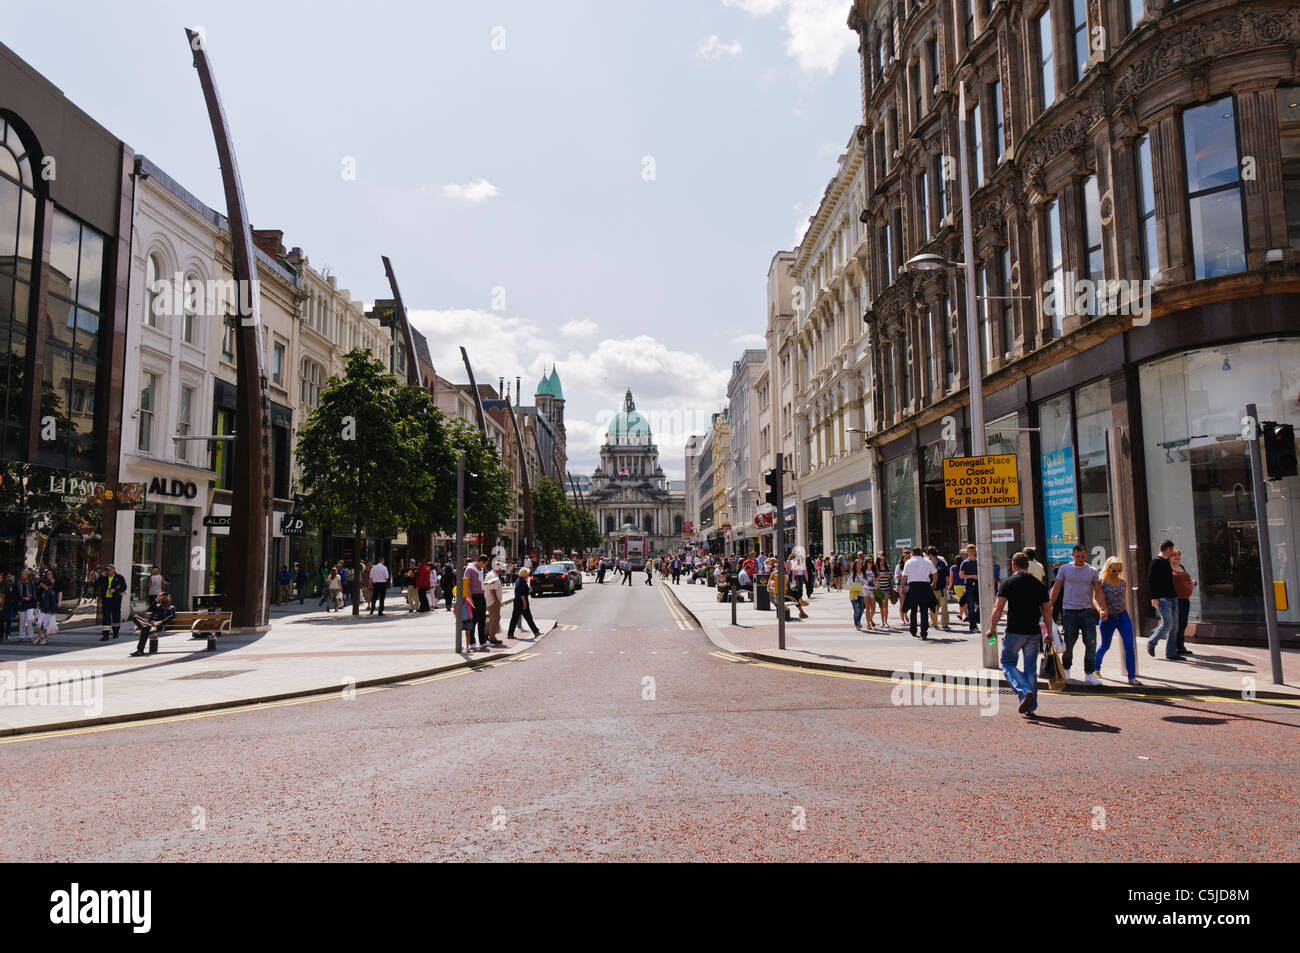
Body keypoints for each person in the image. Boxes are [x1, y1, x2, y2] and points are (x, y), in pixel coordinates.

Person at [985, 552, 1055, 716]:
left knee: (1008, 663)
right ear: (1028, 565)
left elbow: (998, 607)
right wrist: (1049, 632)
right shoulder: (1038, 584)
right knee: (1030, 668)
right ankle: (1030, 705)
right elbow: (1047, 610)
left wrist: (991, 628)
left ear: (1013, 566)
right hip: (1033, 632)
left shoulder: (1008, 582)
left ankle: (1023, 690)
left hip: (1014, 631)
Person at [1049, 543, 1107, 685]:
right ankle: (1066, 669)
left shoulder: (1092, 571)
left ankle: (1089, 673)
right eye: (1077, 556)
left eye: (1082, 556)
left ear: (1086, 555)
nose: (1080, 559)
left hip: (1087, 611)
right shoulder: (1065, 569)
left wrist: (1103, 608)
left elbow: (1098, 591)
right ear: (1073, 555)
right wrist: (1049, 606)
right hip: (1069, 611)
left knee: (1091, 643)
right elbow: (1056, 588)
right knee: (1069, 643)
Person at [1096, 556, 1141, 685]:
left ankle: (1131, 677)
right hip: (1108, 618)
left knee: (1129, 645)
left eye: (1118, 570)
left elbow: (1124, 599)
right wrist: (1100, 611)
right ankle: (1096, 668)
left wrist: (1125, 611)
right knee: (1105, 645)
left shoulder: (1123, 582)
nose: (1116, 573)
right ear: (1108, 568)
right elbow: (1094, 598)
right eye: (1113, 570)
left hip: (1122, 616)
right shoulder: (1101, 581)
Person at [1146, 539, 1179, 659]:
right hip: (1162, 598)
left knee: (1174, 626)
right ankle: (1152, 641)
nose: (1173, 552)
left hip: (1172, 596)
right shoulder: (1156, 561)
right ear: (1168, 549)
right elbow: (1150, 580)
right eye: (1172, 550)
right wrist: (1154, 597)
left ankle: (1171, 653)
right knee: (1168, 623)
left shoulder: (1166, 561)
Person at [900, 547, 938, 640]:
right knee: (924, 610)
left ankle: (913, 630)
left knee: (913, 610)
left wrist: (902, 587)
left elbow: (904, 576)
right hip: (925, 587)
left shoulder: (909, 562)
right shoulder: (927, 561)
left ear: (912, 553)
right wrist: (933, 583)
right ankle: (924, 632)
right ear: (921, 553)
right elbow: (935, 574)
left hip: (913, 587)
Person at [464, 554, 498, 649]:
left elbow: (479, 583)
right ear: (480, 562)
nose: (485, 566)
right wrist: (470, 600)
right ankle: (472, 642)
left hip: (481, 596)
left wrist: (487, 583)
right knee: (473, 620)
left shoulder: (480, 569)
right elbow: (467, 585)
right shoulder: (469, 569)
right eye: (485, 564)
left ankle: (483, 641)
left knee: (482, 619)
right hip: (474, 597)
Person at [128, 592, 175, 657]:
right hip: (149, 623)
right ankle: (148, 627)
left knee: (145, 629)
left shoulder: (171, 608)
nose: (164, 598)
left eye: (166, 597)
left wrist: (159, 622)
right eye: (163, 597)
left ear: (169, 599)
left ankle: (140, 651)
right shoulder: (157, 605)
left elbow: (170, 617)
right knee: (135, 616)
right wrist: (156, 600)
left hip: (158, 625)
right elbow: (149, 609)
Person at [1171, 548, 1196, 657]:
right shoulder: (1168, 569)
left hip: (1185, 599)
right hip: (1176, 600)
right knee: (1178, 624)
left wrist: (1192, 583)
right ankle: (1176, 647)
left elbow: (1185, 581)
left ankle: (1180, 646)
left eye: (1179, 555)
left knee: (1184, 623)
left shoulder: (1181, 567)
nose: (1177, 557)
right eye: (1175, 556)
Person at [95, 563, 128, 641]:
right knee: (106, 617)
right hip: (106, 600)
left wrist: (115, 590)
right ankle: (105, 635)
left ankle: (115, 632)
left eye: (110, 569)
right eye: (107, 570)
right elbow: (96, 584)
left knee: (116, 616)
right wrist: (101, 576)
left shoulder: (119, 577)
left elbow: (124, 587)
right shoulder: (104, 577)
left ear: (114, 570)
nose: (108, 571)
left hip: (115, 600)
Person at [508, 567, 543, 639]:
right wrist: (524, 604)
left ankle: (510, 634)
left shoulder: (519, 580)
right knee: (528, 617)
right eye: (527, 574)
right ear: (524, 575)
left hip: (517, 601)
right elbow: (522, 594)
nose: (528, 575)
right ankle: (536, 632)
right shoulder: (522, 582)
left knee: (515, 618)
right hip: (521, 602)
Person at [926, 546, 951, 631]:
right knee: (933, 606)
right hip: (931, 588)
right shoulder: (927, 564)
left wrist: (947, 585)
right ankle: (934, 623)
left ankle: (945, 624)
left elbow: (946, 574)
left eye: (928, 554)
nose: (928, 556)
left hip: (942, 588)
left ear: (932, 555)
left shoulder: (941, 563)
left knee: (944, 606)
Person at [959, 544, 980, 633]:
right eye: (970, 551)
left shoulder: (978, 562)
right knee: (970, 606)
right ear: (967, 552)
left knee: (980, 606)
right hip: (970, 586)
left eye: (973, 550)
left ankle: (975, 620)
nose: (972, 552)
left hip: (978, 586)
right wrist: (972, 576)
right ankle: (973, 626)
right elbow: (961, 575)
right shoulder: (965, 563)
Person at [13, 570, 37, 642]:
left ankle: (30, 635)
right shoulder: (18, 583)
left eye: (24, 574)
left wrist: (31, 598)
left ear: (27, 575)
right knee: (22, 620)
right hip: (21, 603)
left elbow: (34, 592)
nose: (23, 575)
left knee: (29, 619)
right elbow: (16, 594)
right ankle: (22, 636)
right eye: (22, 574)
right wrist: (22, 598)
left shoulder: (31, 583)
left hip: (30, 603)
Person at [484, 562, 504, 642]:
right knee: (494, 619)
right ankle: (492, 637)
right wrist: (497, 601)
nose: (502, 570)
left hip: (491, 601)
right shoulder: (493, 576)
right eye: (501, 568)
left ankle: (486, 634)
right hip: (493, 602)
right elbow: (492, 590)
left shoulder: (493, 574)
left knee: (493, 618)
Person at [847, 557, 869, 630]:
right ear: (855, 565)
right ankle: (856, 624)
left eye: (861, 564)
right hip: (853, 593)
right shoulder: (853, 573)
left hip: (861, 593)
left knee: (861, 609)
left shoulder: (863, 573)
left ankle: (858, 620)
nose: (860, 565)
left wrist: (862, 582)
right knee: (856, 609)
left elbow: (866, 582)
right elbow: (848, 583)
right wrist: (853, 586)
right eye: (858, 564)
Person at [873, 555, 893, 628]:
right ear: (878, 561)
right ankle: (882, 622)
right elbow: (875, 578)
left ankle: (886, 621)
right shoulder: (876, 569)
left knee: (886, 605)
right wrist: (880, 576)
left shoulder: (887, 568)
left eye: (883, 560)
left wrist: (887, 575)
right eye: (881, 561)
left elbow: (891, 576)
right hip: (879, 589)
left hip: (887, 588)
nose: (882, 562)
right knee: (881, 606)